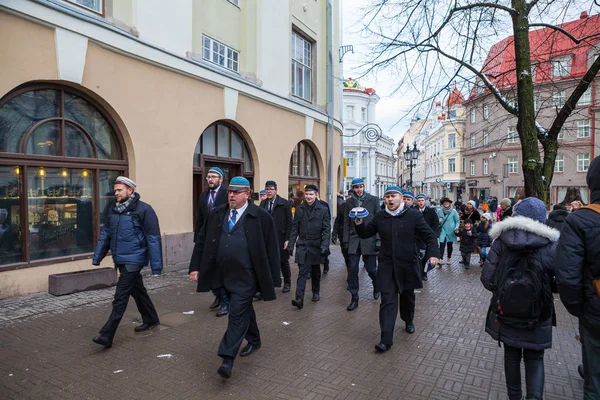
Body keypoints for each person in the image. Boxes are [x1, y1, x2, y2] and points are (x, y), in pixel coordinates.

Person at [189, 177, 280, 379]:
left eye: (236, 192)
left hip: (246, 277)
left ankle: (227, 358)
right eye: (230, 191)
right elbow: (202, 240)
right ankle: (255, 339)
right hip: (221, 275)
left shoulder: (261, 217)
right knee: (244, 309)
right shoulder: (218, 214)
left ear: (247, 194)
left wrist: (273, 279)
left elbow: (271, 249)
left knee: (236, 314)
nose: (231, 195)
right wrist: (195, 267)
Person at [481, 197, 559, 400]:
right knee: (535, 357)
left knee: (512, 355)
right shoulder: (551, 243)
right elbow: (562, 279)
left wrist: (505, 293)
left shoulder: (501, 241)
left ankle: (514, 397)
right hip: (538, 312)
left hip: (506, 311)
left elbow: (487, 278)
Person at [354, 186, 439, 350]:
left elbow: (429, 236)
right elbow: (366, 233)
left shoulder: (413, 215)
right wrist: (359, 223)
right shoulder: (380, 216)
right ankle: (386, 340)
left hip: (408, 264)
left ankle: (408, 320)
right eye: (387, 197)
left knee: (407, 297)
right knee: (387, 300)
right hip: (387, 265)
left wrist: (433, 254)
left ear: (400, 198)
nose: (390, 200)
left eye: (393, 196)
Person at [91, 176, 162, 348]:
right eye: (115, 190)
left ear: (130, 191)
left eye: (119, 190)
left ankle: (107, 334)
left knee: (120, 297)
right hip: (120, 258)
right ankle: (151, 318)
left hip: (135, 258)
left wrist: (157, 267)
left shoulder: (144, 209)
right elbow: (106, 234)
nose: (116, 193)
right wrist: (97, 257)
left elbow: (153, 238)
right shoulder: (113, 209)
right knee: (137, 291)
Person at [554, 155, 600, 399]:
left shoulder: (581, 219)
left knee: (594, 380)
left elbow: (567, 273)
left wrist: (578, 307)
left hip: (595, 306)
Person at [194, 167, 230, 317]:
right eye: (208, 177)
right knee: (208, 270)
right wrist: (198, 238)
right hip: (208, 238)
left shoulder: (227, 194)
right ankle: (218, 295)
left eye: (214, 177)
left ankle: (225, 302)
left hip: (222, 237)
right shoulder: (204, 196)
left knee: (220, 271)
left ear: (221, 180)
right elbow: (200, 218)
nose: (210, 179)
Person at [288, 184, 331, 308]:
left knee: (316, 271)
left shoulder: (323, 209)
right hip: (302, 244)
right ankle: (299, 298)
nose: (308, 196)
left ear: (316, 195)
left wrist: (324, 245)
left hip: (316, 245)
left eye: (311, 194)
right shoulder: (300, 209)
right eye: (307, 194)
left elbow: (327, 229)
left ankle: (316, 292)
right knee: (302, 271)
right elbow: (295, 227)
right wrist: (291, 244)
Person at [342, 178, 380, 311]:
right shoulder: (348, 202)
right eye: (356, 187)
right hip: (354, 240)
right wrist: (345, 240)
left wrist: (378, 240)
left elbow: (378, 221)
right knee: (352, 269)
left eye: (360, 187)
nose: (358, 190)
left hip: (369, 239)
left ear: (364, 187)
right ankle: (354, 297)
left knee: (371, 269)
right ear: (353, 189)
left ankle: (376, 284)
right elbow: (346, 222)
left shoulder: (374, 200)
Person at [260, 180, 293, 293]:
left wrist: (288, 239)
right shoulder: (263, 204)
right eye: (267, 189)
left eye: (271, 189)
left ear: (276, 190)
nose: (268, 192)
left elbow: (290, 222)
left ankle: (287, 282)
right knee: (269, 261)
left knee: (283, 261)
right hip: (267, 238)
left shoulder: (284, 203)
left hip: (281, 237)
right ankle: (271, 283)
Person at [415, 193, 439, 281]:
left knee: (426, 257)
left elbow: (435, 223)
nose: (420, 202)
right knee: (417, 257)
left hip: (427, 238)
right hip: (417, 238)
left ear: (425, 201)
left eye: (422, 201)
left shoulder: (431, 211)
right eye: (419, 201)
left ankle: (424, 272)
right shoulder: (413, 211)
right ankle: (418, 273)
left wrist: (433, 234)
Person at [437, 197, 460, 266]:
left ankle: (449, 258)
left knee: (449, 245)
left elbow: (457, 221)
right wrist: (438, 222)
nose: (446, 203)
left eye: (447, 202)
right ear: (442, 204)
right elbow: (436, 220)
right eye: (444, 202)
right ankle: (440, 259)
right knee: (441, 245)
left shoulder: (454, 211)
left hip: (451, 231)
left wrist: (456, 227)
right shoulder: (439, 211)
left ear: (450, 203)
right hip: (443, 230)